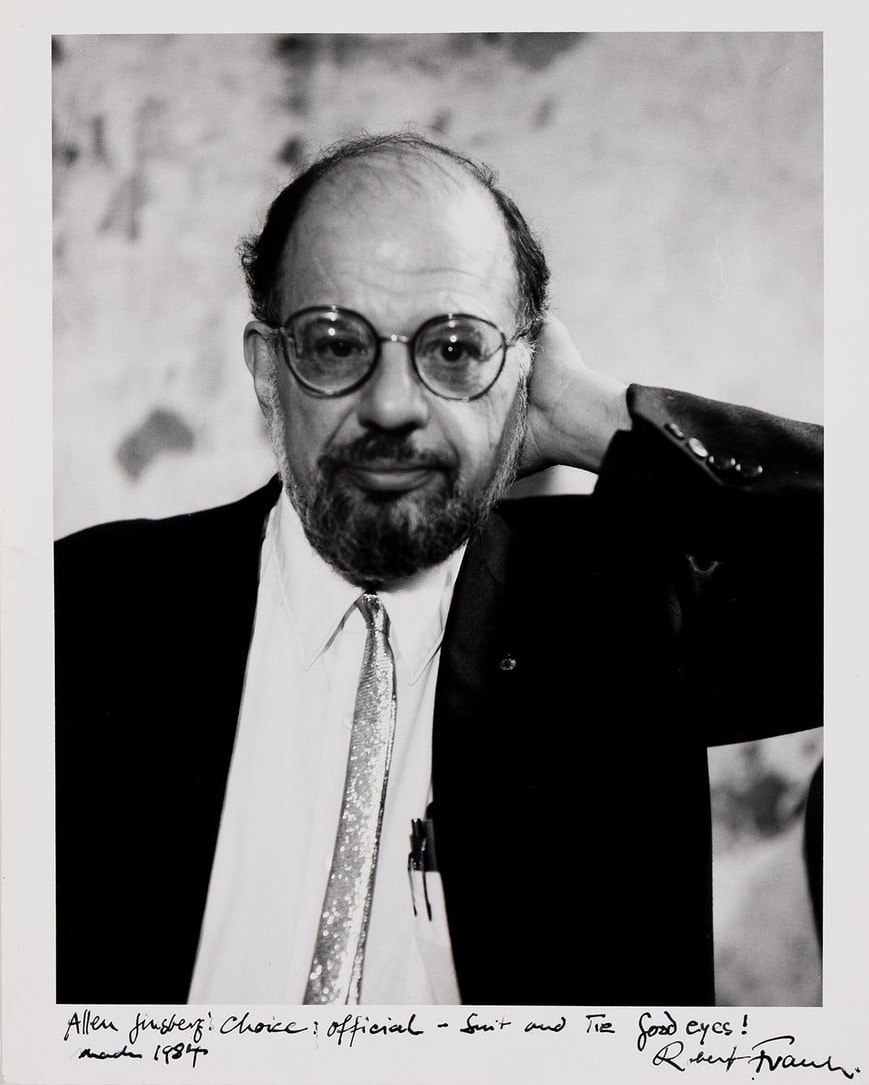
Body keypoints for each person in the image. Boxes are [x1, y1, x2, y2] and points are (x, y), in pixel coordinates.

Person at [54, 132, 823, 1007]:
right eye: (334, 344)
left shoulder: (628, 611)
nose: (391, 405)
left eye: (453, 350)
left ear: (522, 373)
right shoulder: (79, 610)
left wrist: (601, 422)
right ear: (269, 372)